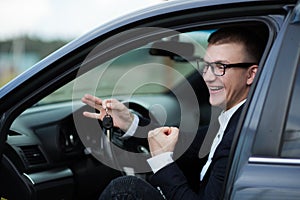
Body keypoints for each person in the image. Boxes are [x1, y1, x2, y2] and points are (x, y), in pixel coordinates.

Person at [81, 26, 265, 199]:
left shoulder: (242, 134)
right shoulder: (234, 119)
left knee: (124, 190)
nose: (208, 77)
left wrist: (162, 162)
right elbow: (183, 142)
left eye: (220, 67)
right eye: (206, 66)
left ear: (251, 74)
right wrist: (130, 123)